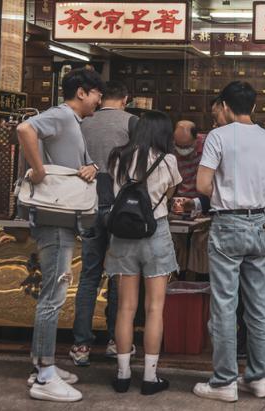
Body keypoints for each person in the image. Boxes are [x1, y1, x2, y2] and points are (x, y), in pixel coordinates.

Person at [193, 81, 265, 403]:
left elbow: (203, 185)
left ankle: (224, 382)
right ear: (252, 106)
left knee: (224, 304)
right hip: (260, 223)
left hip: (228, 224)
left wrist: (229, 192)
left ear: (225, 105)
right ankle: (259, 378)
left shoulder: (218, 137)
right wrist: (256, 194)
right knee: (259, 305)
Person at [15, 68, 103, 403]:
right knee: (53, 294)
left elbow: (73, 163)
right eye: (96, 93)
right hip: (54, 221)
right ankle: (45, 375)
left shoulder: (72, 123)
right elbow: (25, 128)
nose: (97, 100)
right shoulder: (62, 116)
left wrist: (91, 166)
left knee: (54, 292)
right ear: (81, 92)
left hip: (62, 218)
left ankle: (42, 363)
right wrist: (37, 170)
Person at [105, 109, 180, 395]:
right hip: (155, 233)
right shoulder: (168, 159)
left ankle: (122, 374)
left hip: (122, 235)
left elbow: (112, 191)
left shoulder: (117, 156)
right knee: (154, 308)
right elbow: (168, 195)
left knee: (125, 307)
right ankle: (150, 377)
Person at [69, 80, 134, 367]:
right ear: (126, 98)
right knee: (120, 277)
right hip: (120, 207)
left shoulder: (83, 123)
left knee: (89, 276)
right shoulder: (133, 122)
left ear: (99, 98)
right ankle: (115, 341)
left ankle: (81, 345)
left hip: (89, 202)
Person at [172, 119, 210, 275]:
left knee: (200, 245)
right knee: (176, 243)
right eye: (178, 146)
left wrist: (199, 204)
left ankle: (196, 285)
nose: (182, 150)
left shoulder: (208, 145)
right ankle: (177, 280)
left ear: (196, 138)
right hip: (179, 203)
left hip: (202, 203)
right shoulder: (169, 146)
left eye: (186, 147)